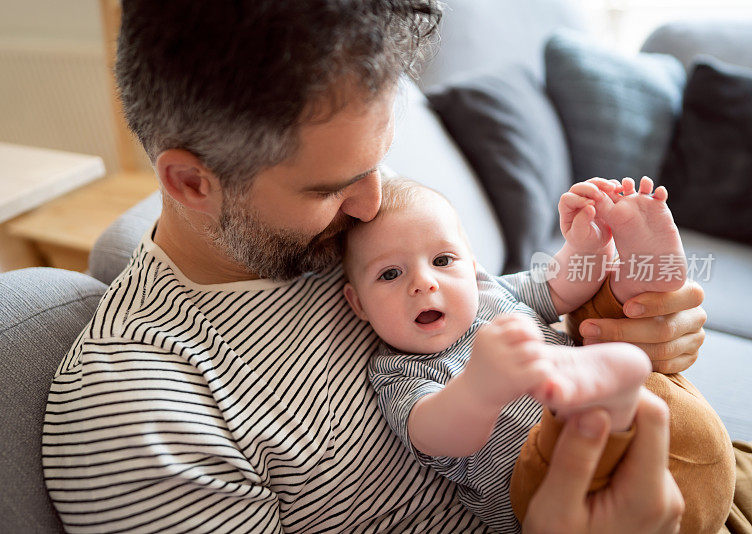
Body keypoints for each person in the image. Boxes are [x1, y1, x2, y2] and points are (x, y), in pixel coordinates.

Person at [42, 2, 709, 532]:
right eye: (329, 188)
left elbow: (509, 295)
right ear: (191, 184)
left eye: (381, 159)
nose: (373, 201)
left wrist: (648, 320)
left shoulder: (367, 225)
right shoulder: (139, 408)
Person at [341, 177, 735, 533]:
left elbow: (562, 288)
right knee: (591, 368)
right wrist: (479, 389)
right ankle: (613, 385)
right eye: (390, 274)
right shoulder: (396, 371)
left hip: (662, 441)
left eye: (443, 261)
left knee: (607, 307)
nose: (424, 284)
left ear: (473, 267)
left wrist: (588, 245)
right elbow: (433, 435)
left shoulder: (493, 293)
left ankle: (643, 272)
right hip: (553, 488)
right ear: (358, 304)